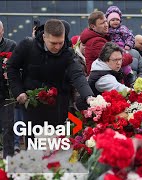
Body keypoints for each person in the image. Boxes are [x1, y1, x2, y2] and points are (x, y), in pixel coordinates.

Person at [7, 19, 94, 135]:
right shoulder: (27, 46)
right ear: (44, 37)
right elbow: (12, 67)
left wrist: (88, 96)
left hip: (58, 106)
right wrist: (18, 91)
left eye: (60, 42)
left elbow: (77, 75)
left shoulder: (67, 53)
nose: (57, 47)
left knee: (57, 146)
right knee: (35, 145)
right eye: (53, 43)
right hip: (33, 104)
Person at [0, 20, 16, 157]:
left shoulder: (11, 45)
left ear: (3, 31)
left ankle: (8, 159)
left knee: (8, 127)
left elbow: (18, 67)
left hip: (6, 93)